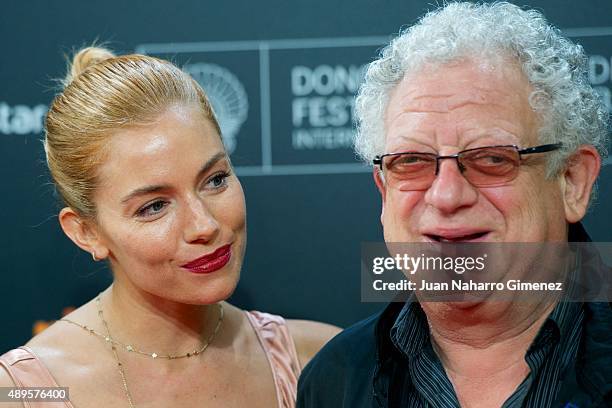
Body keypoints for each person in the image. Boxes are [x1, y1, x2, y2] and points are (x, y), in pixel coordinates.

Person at [297, 2, 611, 407]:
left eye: (492, 158)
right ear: (384, 189)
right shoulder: (334, 380)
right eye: (411, 162)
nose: (446, 196)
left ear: (572, 181)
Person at [0, 47, 340, 408]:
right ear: (86, 232)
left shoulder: (318, 362)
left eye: (215, 180)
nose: (204, 225)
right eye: (155, 206)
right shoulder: (24, 392)